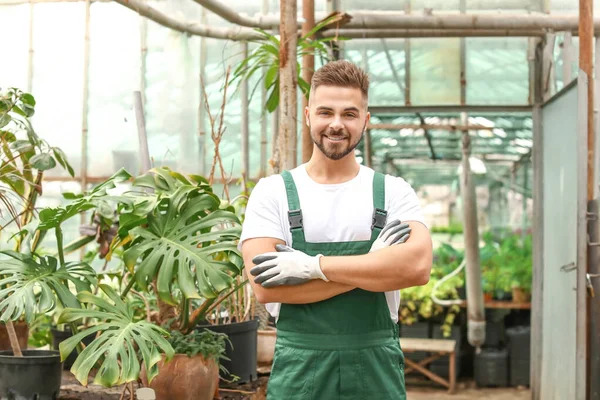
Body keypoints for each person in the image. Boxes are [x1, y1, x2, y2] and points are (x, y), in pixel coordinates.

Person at [240, 60, 432, 400]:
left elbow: (416, 267)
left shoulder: (392, 192)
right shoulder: (273, 193)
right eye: (326, 112)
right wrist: (372, 267)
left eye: (350, 114)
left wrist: (312, 267)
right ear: (309, 114)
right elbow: (266, 288)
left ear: (366, 121)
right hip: (300, 369)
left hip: (375, 367)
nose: (336, 124)